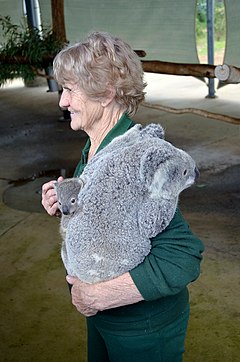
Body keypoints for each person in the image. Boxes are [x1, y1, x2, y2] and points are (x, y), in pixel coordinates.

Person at [41, 31, 204, 362]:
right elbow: (114, 213)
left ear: (105, 94)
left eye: (70, 90)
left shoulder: (140, 157)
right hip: (104, 318)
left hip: (143, 328)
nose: (62, 101)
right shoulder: (97, 146)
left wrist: (101, 295)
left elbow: (183, 256)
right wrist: (66, 204)